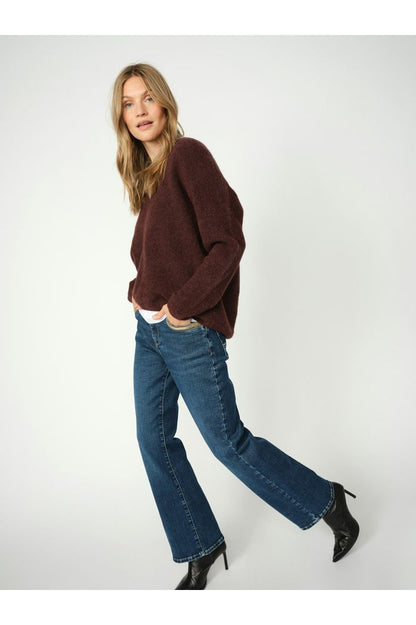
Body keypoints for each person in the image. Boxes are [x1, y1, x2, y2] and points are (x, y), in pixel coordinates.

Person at [111, 62, 360, 590]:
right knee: (153, 442)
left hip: (188, 333)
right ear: (122, 117)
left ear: (165, 103)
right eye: (129, 104)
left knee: (229, 443)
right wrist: (138, 293)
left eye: (147, 98)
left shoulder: (188, 155)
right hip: (148, 336)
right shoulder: (147, 178)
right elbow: (154, 255)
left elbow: (228, 241)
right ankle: (200, 545)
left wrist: (182, 308)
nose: (140, 111)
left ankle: (327, 501)